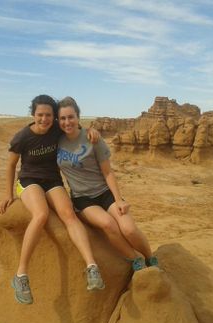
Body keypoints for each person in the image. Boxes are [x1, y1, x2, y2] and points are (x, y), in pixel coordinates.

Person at [0, 94, 105, 305]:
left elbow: (75, 128)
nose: (44, 119)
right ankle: (21, 275)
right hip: (29, 182)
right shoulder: (23, 137)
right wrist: (8, 195)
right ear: (33, 114)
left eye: (48, 115)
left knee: (69, 215)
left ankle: (92, 267)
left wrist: (92, 131)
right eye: (40, 114)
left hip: (53, 181)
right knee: (41, 214)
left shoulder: (56, 129)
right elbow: (11, 165)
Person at [56, 96, 159, 272]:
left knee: (129, 230)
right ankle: (136, 259)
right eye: (63, 118)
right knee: (107, 225)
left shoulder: (92, 139)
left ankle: (150, 257)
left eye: (71, 117)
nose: (67, 122)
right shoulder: (56, 140)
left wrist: (118, 200)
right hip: (83, 199)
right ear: (58, 120)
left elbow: (108, 172)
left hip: (105, 192)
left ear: (78, 117)